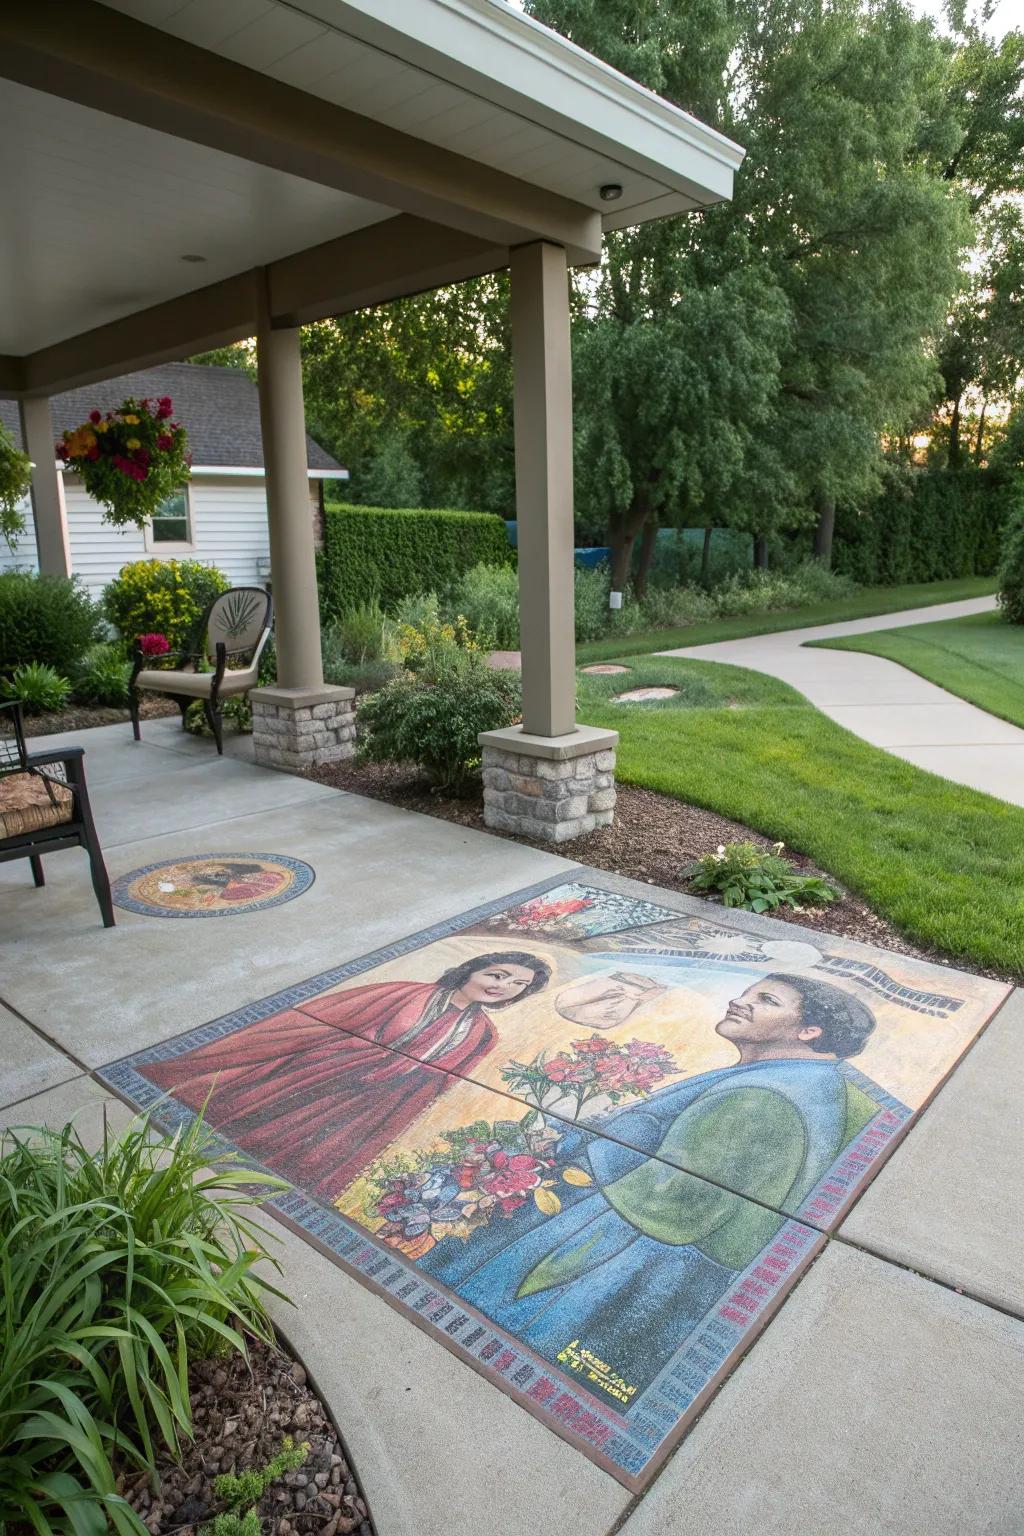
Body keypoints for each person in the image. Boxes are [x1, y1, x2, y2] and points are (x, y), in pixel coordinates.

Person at [421, 973, 902, 1395]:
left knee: (513, 1316)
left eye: (767, 1001)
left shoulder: (764, 1096)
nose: (741, 1001)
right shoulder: (795, 1077)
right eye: (748, 992)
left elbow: (667, 1199)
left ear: (809, 1031)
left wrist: (580, 1134)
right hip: (648, 1246)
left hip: (628, 1251)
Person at [142, 952, 551, 1202]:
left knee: (305, 1150)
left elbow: (439, 1083)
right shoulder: (407, 992)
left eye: (517, 985)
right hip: (318, 1071)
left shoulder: (484, 1033)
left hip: (371, 1103)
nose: (504, 986)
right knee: (247, 1108)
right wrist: (357, 1057)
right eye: (497, 974)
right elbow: (329, 1021)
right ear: (471, 970)